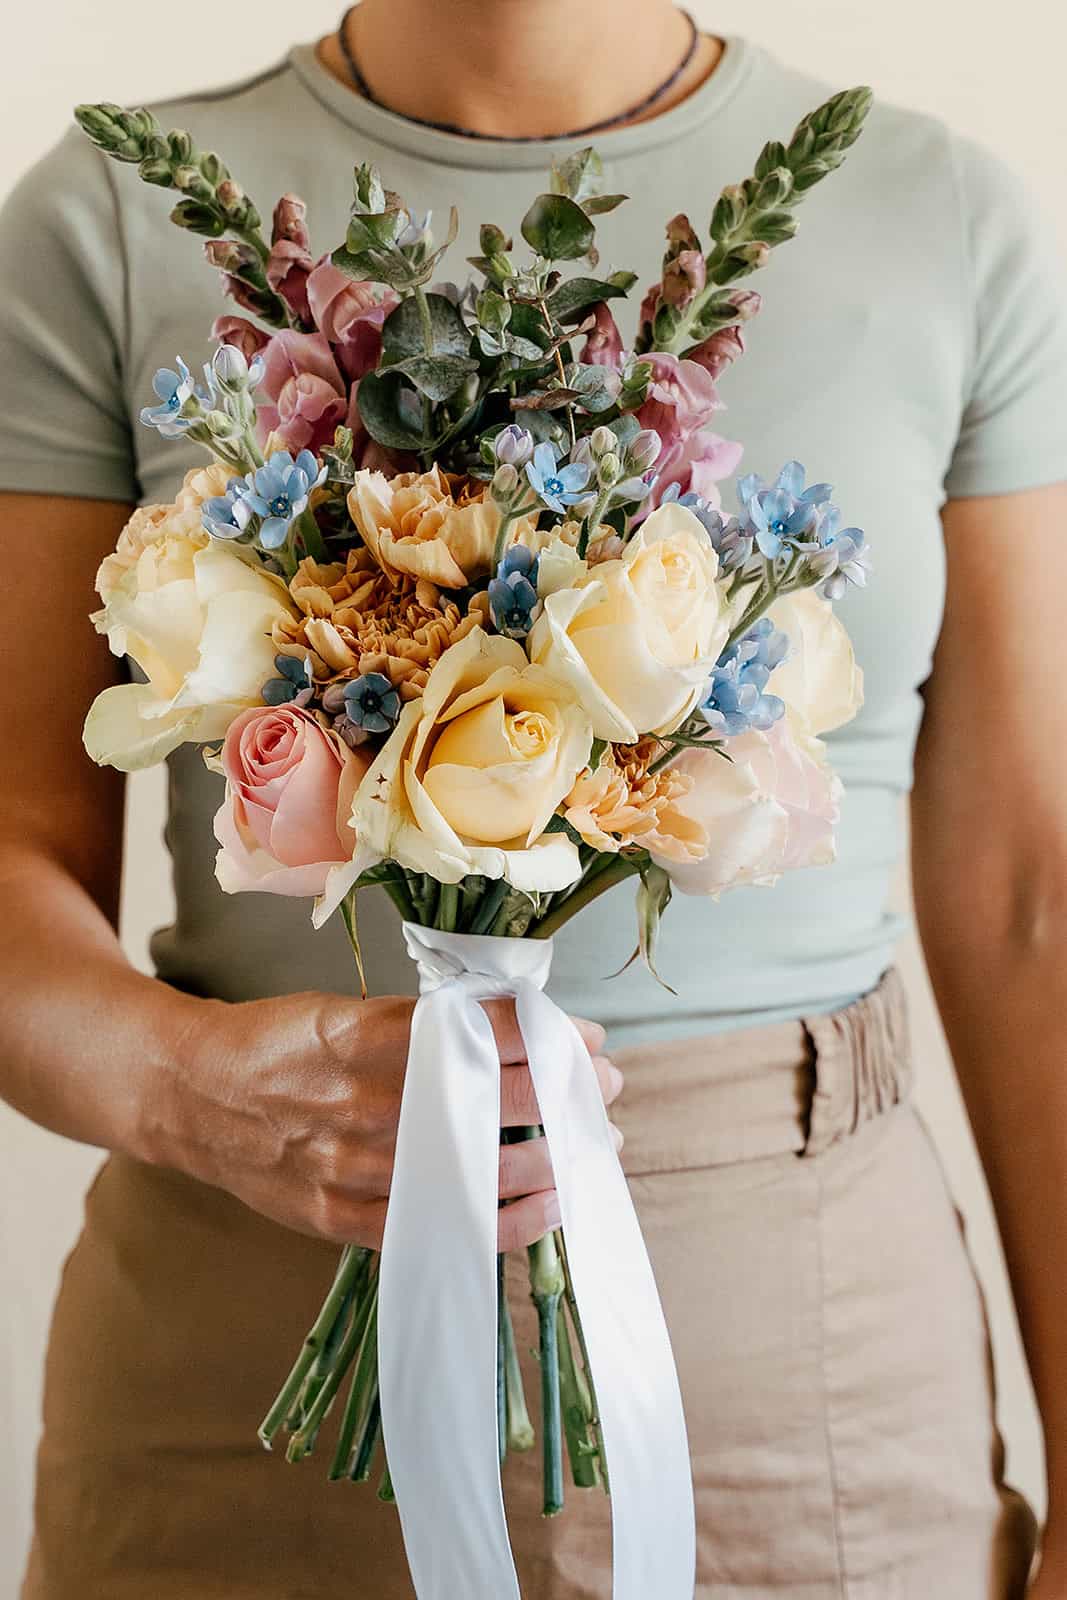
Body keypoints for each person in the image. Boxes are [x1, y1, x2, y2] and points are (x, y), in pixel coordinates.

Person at [1, 1, 1065, 1594]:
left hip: (814, 1374)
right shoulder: (102, 218)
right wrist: (188, 1089)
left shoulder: (944, 219)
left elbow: (1034, 902)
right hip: (238, 1378)